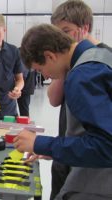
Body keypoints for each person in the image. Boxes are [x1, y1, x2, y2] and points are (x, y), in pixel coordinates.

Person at [15, 23, 112, 199]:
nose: (44, 76)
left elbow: (105, 146)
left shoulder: (82, 76)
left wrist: (41, 143)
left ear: (50, 56)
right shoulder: (100, 56)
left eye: (40, 69)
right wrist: (54, 150)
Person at [48, 1, 112, 199]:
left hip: (89, 164)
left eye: (66, 31)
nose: (61, 40)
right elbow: (53, 98)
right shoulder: (72, 63)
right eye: (57, 34)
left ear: (84, 28)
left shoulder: (101, 61)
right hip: (67, 148)